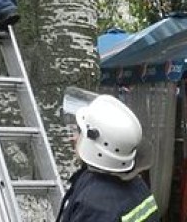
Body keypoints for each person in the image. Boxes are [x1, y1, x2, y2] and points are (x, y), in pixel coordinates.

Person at [58, 90, 159, 221]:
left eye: (80, 132)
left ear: (100, 148)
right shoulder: (137, 184)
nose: (74, 138)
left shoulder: (95, 204)